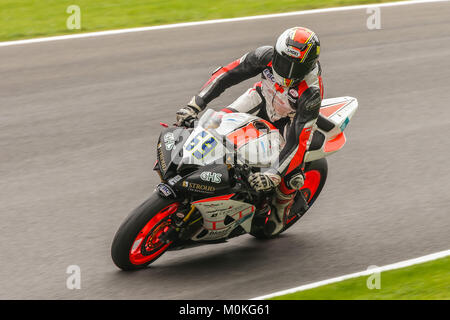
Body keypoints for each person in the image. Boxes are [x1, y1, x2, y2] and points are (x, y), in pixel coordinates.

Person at [175, 27, 324, 236]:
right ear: (277, 53)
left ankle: (281, 209)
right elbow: (227, 74)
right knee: (212, 127)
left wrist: (273, 174)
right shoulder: (264, 55)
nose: (289, 73)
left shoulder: (311, 93)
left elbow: (298, 142)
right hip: (260, 98)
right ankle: (193, 174)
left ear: (308, 66)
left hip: (289, 118)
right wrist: (195, 105)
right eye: (284, 63)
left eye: (296, 68)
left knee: (290, 173)